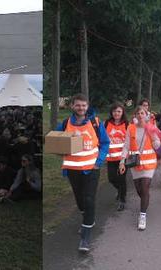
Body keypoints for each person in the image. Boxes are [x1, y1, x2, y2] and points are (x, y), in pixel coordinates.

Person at [55, 93, 109, 252]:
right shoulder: (65, 123)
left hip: (91, 169)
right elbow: (56, 143)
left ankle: (85, 237)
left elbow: (105, 143)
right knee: (80, 201)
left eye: (84, 105)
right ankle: (87, 217)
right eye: (78, 105)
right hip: (73, 170)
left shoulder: (95, 122)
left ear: (87, 106)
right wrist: (69, 137)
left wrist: (98, 162)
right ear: (72, 106)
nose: (81, 108)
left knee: (89, 199)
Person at [124, 106, 161, 230]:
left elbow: (157, 144)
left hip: (149, 163)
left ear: (146, 115)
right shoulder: (130, 128)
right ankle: (145, 200)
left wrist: (155, 139)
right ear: (135, 115)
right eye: (138, 113)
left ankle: (142, 216)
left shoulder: (151, 128)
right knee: (139, 190)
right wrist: (121, 161)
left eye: (142, 113)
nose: (140, 115)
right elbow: (126, 146)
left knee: (145, 187)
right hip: (135, 163)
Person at [103, 103, 130, 211]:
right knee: (111, 178)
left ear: (122, 112)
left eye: (119, 111)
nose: (116, 113)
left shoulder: (127, 124)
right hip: (110, 157)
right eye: (114, 111)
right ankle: (121, 190)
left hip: (123, 158)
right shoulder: (106, 123)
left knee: (121, 179)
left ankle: (122, 200)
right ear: (111, 112)